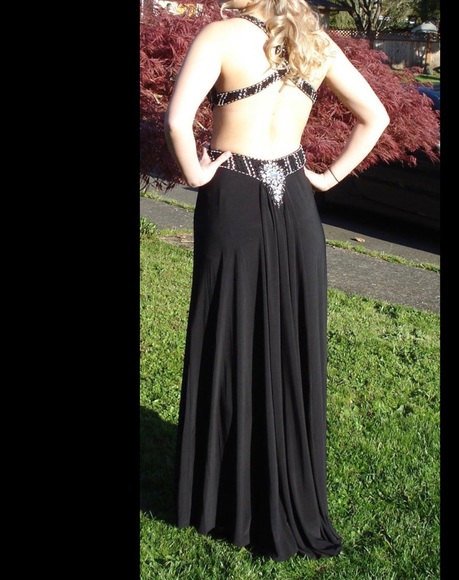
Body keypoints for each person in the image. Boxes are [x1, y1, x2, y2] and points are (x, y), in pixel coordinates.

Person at [164, 0, 390, 561]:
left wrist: (195, 174)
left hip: (232, 195)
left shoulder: (219, 36)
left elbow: (176, 120)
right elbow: (376, 116)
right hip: (296, 204)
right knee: (290, 342)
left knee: (228, 334)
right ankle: (286, 487)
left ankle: (222, 497)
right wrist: (328, 177)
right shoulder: (315, 42)